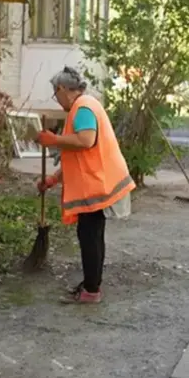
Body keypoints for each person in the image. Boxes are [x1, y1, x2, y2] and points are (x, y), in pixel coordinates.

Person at [34, 66, 135, 304]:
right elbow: (76, 157)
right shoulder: (87, 106)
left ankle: (91, 290)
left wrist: (54, 140)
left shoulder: (83, 107)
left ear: (61, 89)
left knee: (89, 236)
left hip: (97, 184)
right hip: (98, 181)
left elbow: (86, 141)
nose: (57, 100)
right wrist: (53, 179)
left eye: (55, 94)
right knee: (92, 235)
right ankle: (91, 283)